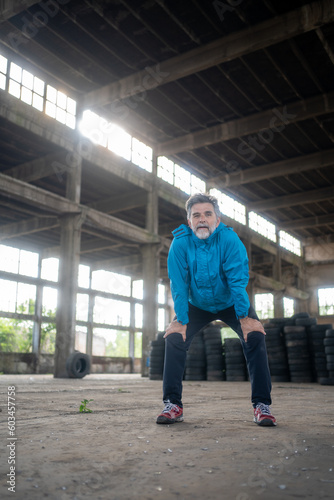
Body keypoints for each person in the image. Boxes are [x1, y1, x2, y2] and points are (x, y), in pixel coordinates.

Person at [156, 193, 276, 427]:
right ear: (189, 221)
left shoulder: (230, 241)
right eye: (196, 215)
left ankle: (262, 405)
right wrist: (181, 319)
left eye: (208, 214)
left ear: (217, 219)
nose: (202, 219)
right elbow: (178, 284)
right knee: (173, 338)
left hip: (231, 302)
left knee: (254, 337)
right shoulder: (180, 243)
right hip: (196, 304)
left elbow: (238, 281)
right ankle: (173, 404)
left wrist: (243, 316)